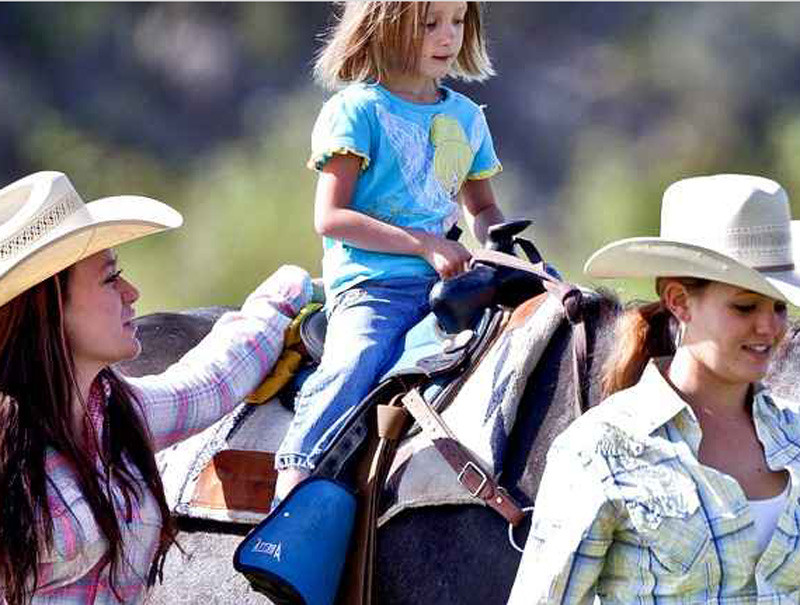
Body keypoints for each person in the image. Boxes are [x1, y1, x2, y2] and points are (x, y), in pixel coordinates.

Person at [0, 171, 313, 604]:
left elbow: (208, 386)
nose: (132, 292)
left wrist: (291, 292)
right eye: (110, 279)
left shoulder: (112, 414)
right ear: (49, 305)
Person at [508, 174, 800, 603]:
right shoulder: (599, 451)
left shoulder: (794, 435)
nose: (770, 327)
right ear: (679, 301)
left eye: (779, 306)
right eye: (744, 306)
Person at [273, 0, 506, 501]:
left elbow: (482, 208)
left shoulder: (466, 117)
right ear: (388, 25)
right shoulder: (357, 110)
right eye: (430, 24)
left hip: (448, 287)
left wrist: (502, 246)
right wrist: (424, 244)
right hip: (373, 287)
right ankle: (293, 483)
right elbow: (330, 217)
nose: (449, 37)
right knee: (356, 359)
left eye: (459, 22)